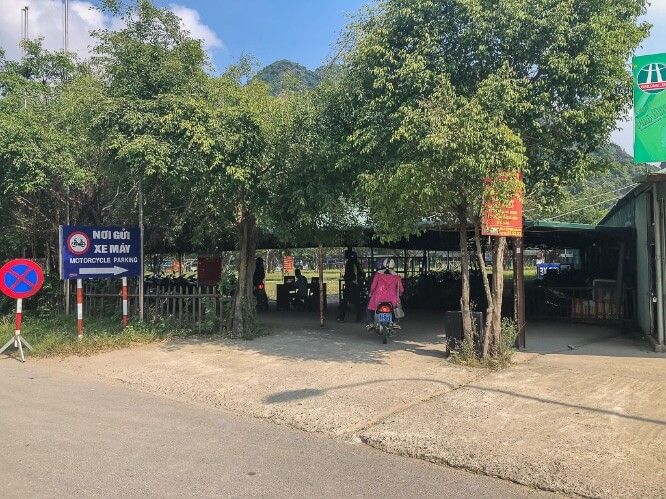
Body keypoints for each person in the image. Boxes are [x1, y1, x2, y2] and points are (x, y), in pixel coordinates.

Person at [366, 259, 404, 328]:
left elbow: (373, 286)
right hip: (392, 299)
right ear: (393, 266)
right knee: (395, 308)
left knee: (369, 308)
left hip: (378, 298)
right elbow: (401, 289)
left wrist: (371, 293)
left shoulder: (378, 275)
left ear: (383, 265)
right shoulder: (397, 277)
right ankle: (395, 322)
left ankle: (371, 323)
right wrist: (400, 294)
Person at [337, 248, 365, 322]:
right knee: (357, 302)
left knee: (345, 302)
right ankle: (358, 318)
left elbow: (348, 276)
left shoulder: (349, 263)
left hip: (350, 285)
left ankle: (341, 317)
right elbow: (362, 273)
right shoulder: (357, 263)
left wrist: (345, 278)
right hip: (357, 285)